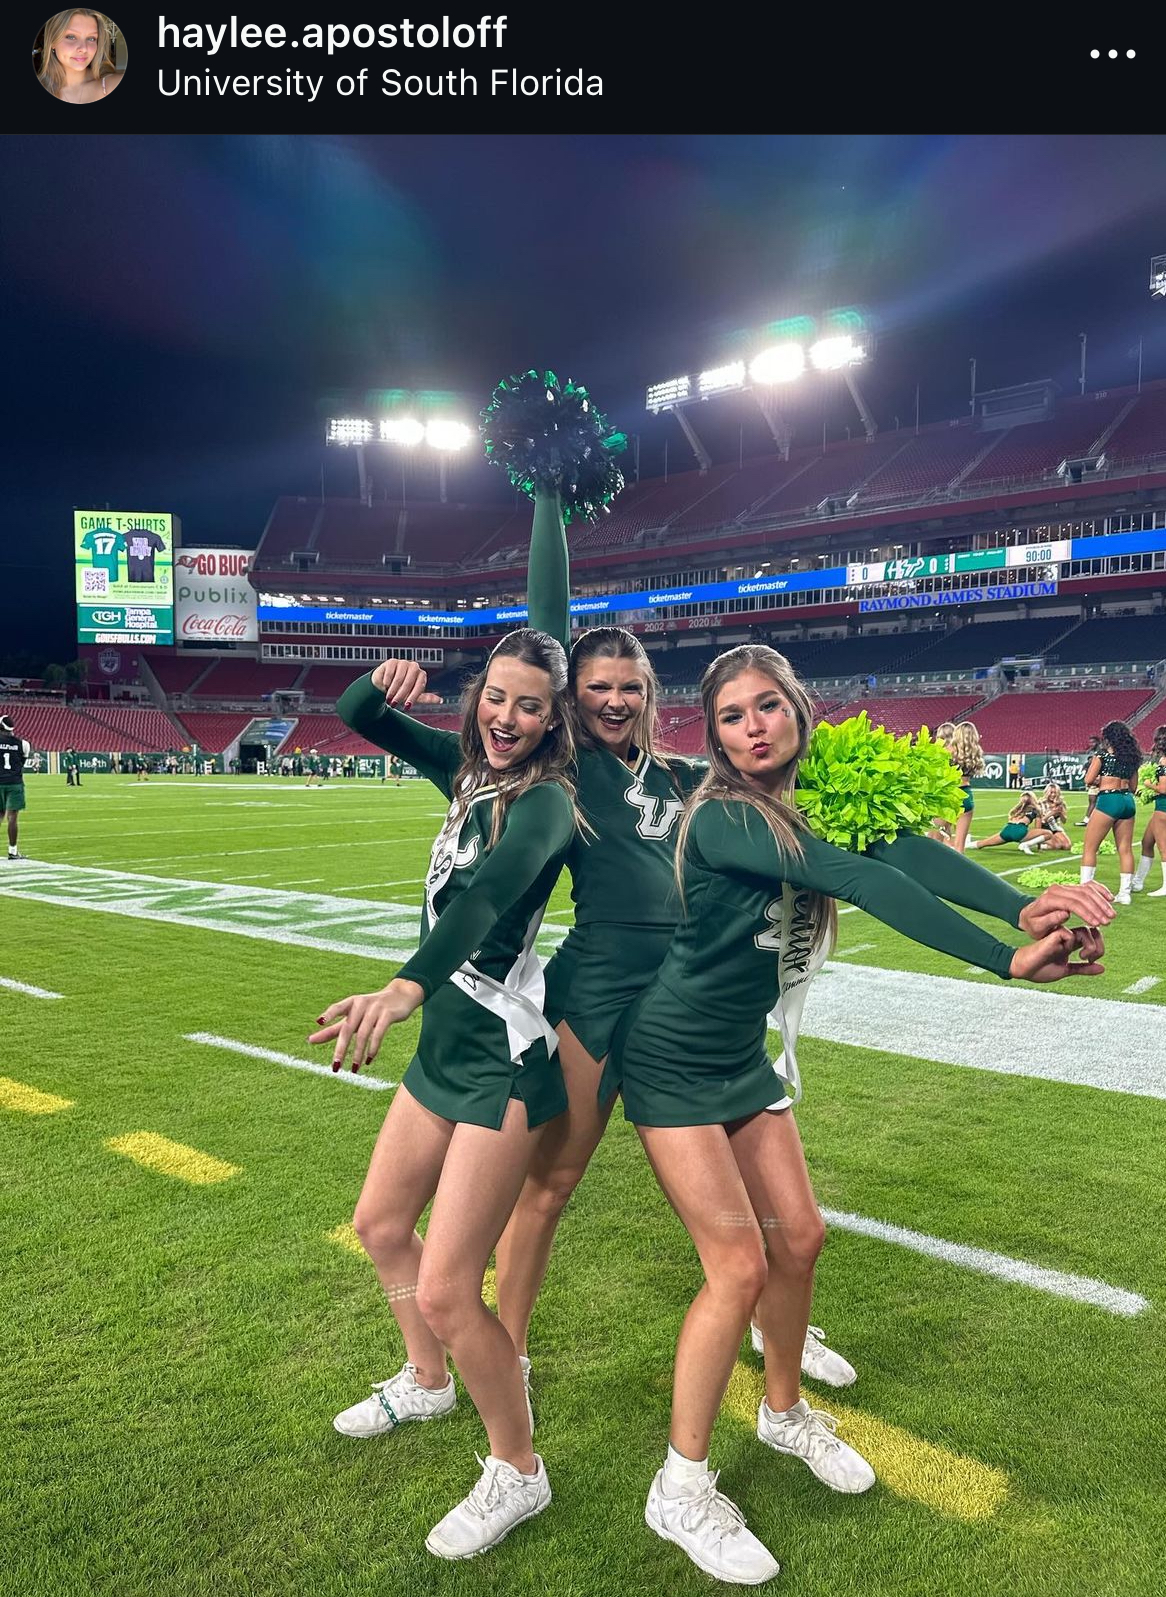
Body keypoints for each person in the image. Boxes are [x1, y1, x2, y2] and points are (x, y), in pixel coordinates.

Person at [602, 645, 1109, 1583]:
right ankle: (679, 1487)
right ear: (714, 737)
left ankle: (782, 1411)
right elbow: (860, 878)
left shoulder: (817, 792)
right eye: (731, 717)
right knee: (737, 1267)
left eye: (767, 706)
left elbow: (901, 850)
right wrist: (1004, 960)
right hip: (670, 1058)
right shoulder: (723, 815)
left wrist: (1023, 908)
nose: (753, 727)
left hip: (737, 1057)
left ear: (798, 708)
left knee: (800, 1238)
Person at [312, 630, 583, 1562]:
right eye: (496, 697)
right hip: (443, 1056)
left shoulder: (549, 803)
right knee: (382, 1224)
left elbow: (485, 899)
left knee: (448, 1288)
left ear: (553, 719)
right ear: (478, 698)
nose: (507, 718)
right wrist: (379, 680)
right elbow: (356, 714)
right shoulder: (466, 771)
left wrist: (404, 987)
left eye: (530, 705)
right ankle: (429, 1380)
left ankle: (519, 1466)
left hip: (501, 1063)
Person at [1081, 719, 1142, 905]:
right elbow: (1134, 787)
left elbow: (1088, 780)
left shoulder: (1102, 755)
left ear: (1109, 738)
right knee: (1125, 849)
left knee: (1089, 848)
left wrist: (1102, 780)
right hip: (1127, 801)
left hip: (1109, 800)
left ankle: (1085, 892)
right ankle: (1125, 894)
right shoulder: (1132, 758)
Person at [36, 10, 123, 102]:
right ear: (52, 42)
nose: (84, 48)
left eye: (91, 38)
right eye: (71, 37)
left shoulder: (113, 85)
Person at [934, 721, 984, 853]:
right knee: (959, 847)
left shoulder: (948, 752)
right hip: (967, 795)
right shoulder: (974, 753)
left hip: (951, 796)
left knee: (936, 840)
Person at [1132, 725, 1166, 897]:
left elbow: (1164, 789)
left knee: (1164, 848)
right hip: (1161, 806)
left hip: (1163, 808)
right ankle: (1138, 882)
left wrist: (1148, 785)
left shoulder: (1164, 761)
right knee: (1147, 842)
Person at [0, 715, 32, 861]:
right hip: (14, 783)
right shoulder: (23, 744)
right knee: (12, 818)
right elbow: (21, 763)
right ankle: (13, 851)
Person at [967, 794, 1042, 850]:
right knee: (1047, 833)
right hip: (1019, 832)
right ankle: (1026, 845)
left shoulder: (1016, 809)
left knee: (982, 843)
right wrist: (1039, 847)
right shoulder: (1036, 809)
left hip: (1007, 830)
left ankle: (966, 845)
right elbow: (1038, 828)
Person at [1018, 784, 1073, 854]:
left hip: (1055, 828)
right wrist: (1051, 813)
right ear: (1047, 793)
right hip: (1043, 829)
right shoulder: (1040, 804)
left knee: (1067, 846)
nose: (1053, 795)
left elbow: (1064, 821)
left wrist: (1061, 813)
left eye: (1055, 793)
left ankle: (1039, 842)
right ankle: (1031, 844)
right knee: (1056, 845)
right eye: (1051, 792)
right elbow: (1039, 822)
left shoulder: (1060, 803)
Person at [1076, 735, 1103, 825]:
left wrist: (1097, 779)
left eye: (1093, 742)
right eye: (1090, 742)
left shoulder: (1100, 752)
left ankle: (1088, 820)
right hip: (1094, 780)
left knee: (1093, 801)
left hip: (1097, 780)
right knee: (1094, 801)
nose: (1091, 744)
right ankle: (1092, 819)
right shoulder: (1094, 752)